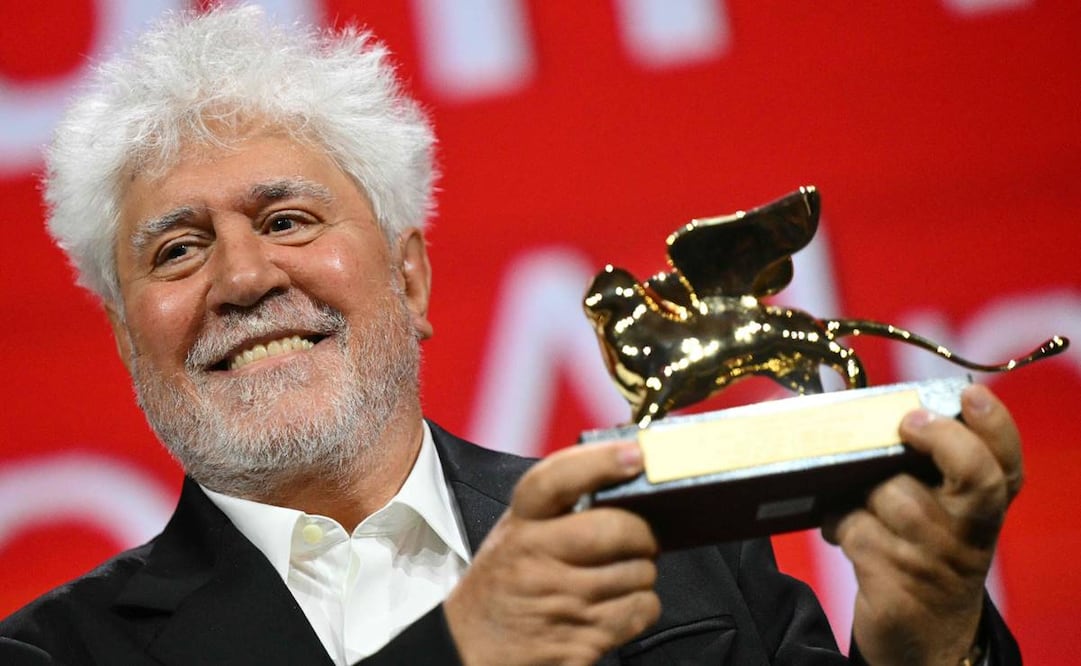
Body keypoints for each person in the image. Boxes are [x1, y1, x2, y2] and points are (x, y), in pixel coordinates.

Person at [0, 6, 1023, 665]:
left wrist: (925, 644)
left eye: (286, 220)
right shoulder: (56, 655)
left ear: (409, 277)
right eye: (176, 250)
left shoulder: (693, 561)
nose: (243, 278)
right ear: (132, 341)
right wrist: (462, 650)